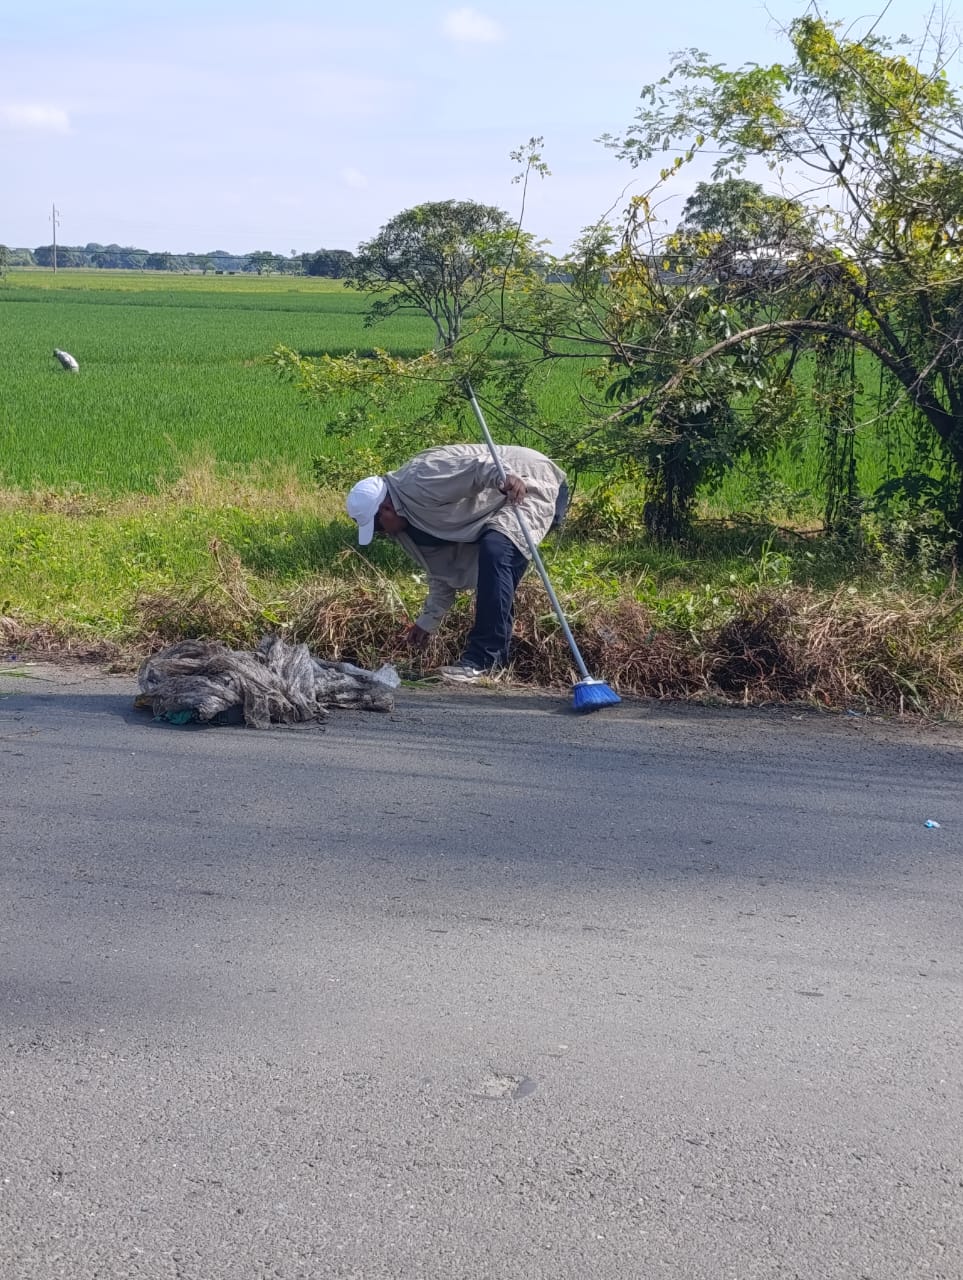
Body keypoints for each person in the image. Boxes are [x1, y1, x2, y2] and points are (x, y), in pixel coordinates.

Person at [346, 443, 568, 683]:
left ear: (386, 508)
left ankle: (483, 661)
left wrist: (505, 476)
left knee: (497, 550)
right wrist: (427, 622)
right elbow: (442, 571)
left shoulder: (420, 479)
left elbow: (477, 467)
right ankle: (495, 661)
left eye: (378, 528)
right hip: (493, 505)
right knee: (493, 563)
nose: (384, 534)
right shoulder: (406, 530)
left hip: (525, 481)